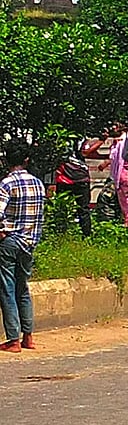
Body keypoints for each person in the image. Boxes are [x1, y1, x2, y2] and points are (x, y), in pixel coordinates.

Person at [0, 141, 45, 352]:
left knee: (6, 289)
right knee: (22, 288)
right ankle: (28, 337)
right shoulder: (38, 183)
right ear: (26, 160)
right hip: (30, 242)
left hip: (9, 241)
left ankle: (13, 339)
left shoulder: (6, 184)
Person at [53, 138, 92, 237]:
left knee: (62, 208)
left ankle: (61, 234)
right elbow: (85, 152)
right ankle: (85, 235)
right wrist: (101, 141)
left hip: (66, 178)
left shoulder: (59, 139)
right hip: (76, 177)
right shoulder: (81, 138)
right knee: (82, 209)